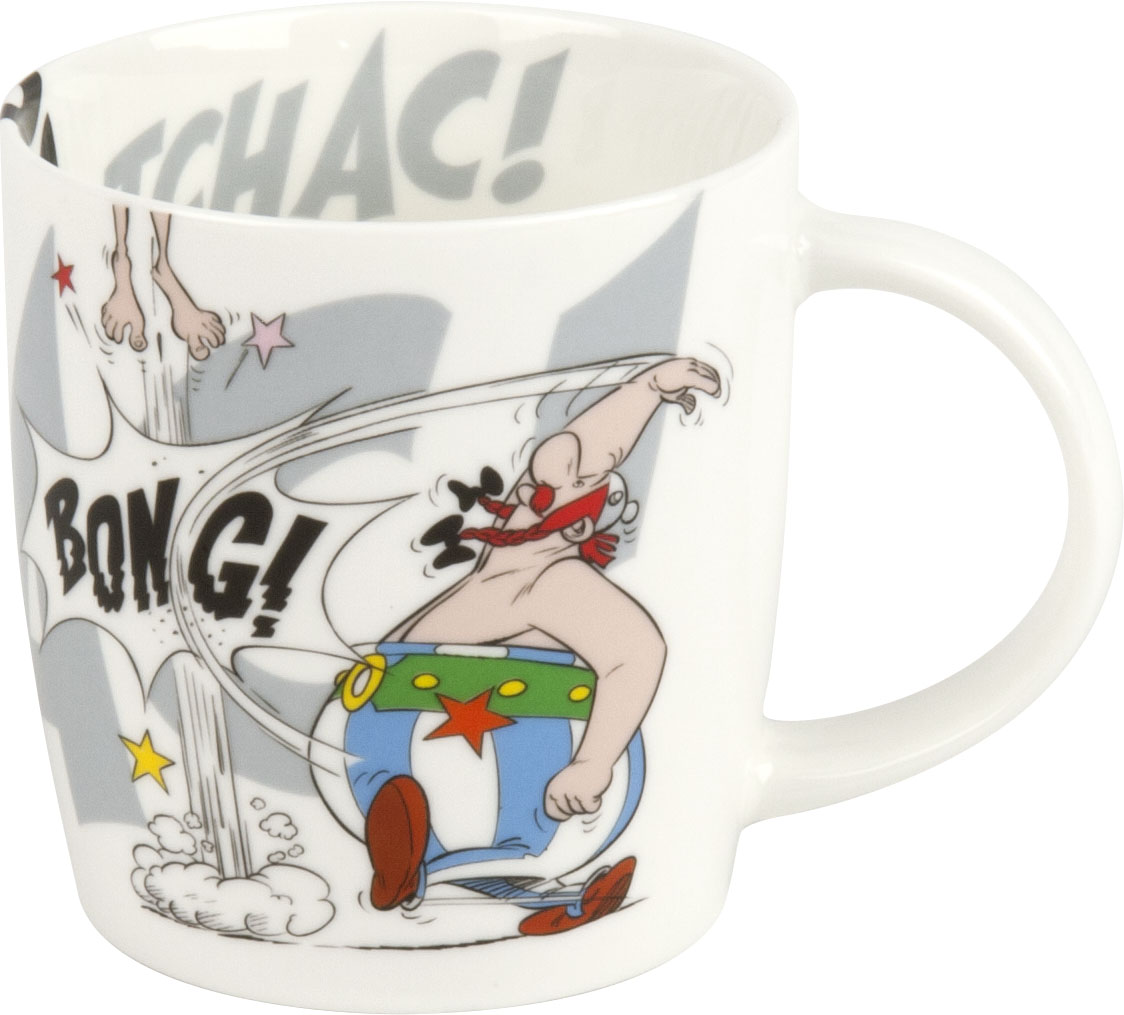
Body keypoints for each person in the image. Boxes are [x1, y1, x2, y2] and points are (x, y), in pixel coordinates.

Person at [319, 357, 721, 935]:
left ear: (576, 527)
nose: (529, 488)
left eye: (553, 489)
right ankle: (430, 874)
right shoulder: (498, 571)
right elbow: (575, 447)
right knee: (433, 818)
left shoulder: (552, 583)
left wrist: (591, 764)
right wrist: (646, 389)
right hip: (399, 747)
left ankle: (505, 891)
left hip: (494, 738)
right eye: (527, 486)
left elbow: (638, 652)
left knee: (509, 830)